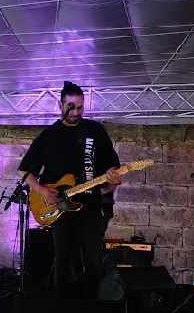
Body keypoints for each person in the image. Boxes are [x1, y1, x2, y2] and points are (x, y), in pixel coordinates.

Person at [18, 81, 122, 298]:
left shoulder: (95, 130)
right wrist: (43, 191)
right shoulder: (49, 135)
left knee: (93, 260)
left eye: (80, 107)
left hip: (91, 205)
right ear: (60, 105)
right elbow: (26, 172)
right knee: (63, 259)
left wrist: (113, 177)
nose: (75, 112)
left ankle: (91, 306)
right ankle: (61, 306)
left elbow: (112, 166)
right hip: (61, 207)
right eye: (70, 107)